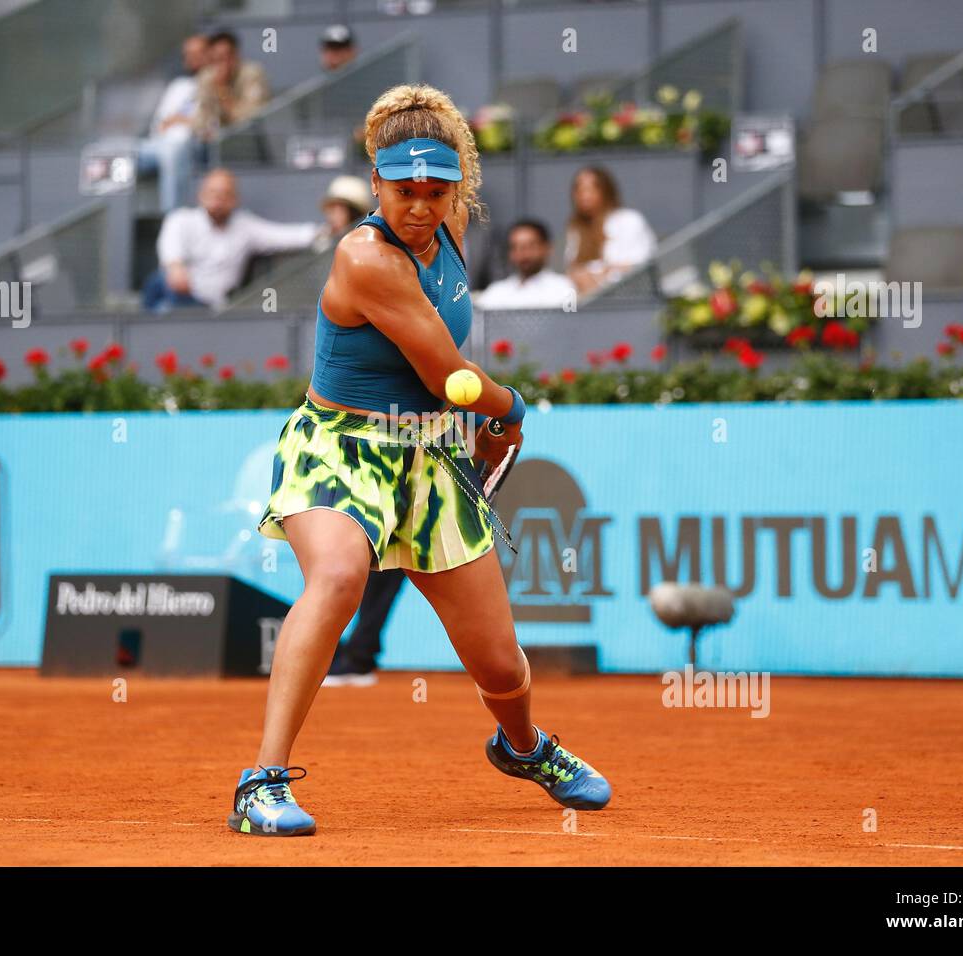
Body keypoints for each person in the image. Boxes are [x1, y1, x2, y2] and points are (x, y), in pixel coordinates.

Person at [235, 83, 611, 837]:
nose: (419, 206)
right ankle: (261, 783)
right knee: (339, 576)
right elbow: (447, 375)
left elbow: (446, 394)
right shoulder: (365, 256)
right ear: (375, 183)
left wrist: (470, 424)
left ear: (456, 189)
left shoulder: (453, 223)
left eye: (436, 191)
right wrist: (511, 412)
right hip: (340, 449)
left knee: (501, 668)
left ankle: (524, 747)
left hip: (429, 458)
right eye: (403, 190)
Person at [142, 169, 329, 312]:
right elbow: (173, 266)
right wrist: (175, 268)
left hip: (214, 308)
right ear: (201, 194)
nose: (217, 199)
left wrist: (322, 232)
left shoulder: (245, 226)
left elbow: (284, 235)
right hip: (177, 294)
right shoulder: (181, 219)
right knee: (159, 285)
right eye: (212, 192)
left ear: (234, 199)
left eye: (224, 194)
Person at [137, 34, 211, 214]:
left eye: (198, 53)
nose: (192, 58)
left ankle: (172, 217)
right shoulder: (179, 86)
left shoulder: (217, 84)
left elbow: (212, 126)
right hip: (162, 144)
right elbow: (160, 124)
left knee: (174, 150)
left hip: (197, 147)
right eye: (188, 54)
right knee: (115, 150)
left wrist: (183, 121)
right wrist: (179, 122)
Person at [563, 165, 657, 297]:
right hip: (587, 305)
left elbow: (641, 265)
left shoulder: (628, 219)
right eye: (579, 189)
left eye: (591, 188)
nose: (584, 195)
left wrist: (600, 274)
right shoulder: (576, 229)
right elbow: (573, 271)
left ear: (607, 191)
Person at [474, 219, 577, 310]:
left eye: (530, 246)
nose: (523, 254)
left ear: (547, 248)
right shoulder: (497, 292)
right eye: (515, 247)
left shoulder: (563, 288)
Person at [192, 29, 270, 144]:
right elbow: (200, 119)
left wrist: (222, 90)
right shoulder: (206, 77)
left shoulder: (252, 74)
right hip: (213, 142)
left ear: (236, 55)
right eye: (217, 59)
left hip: (248, 140)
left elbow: (252, 118)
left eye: (227, 57)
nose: (223, 64)